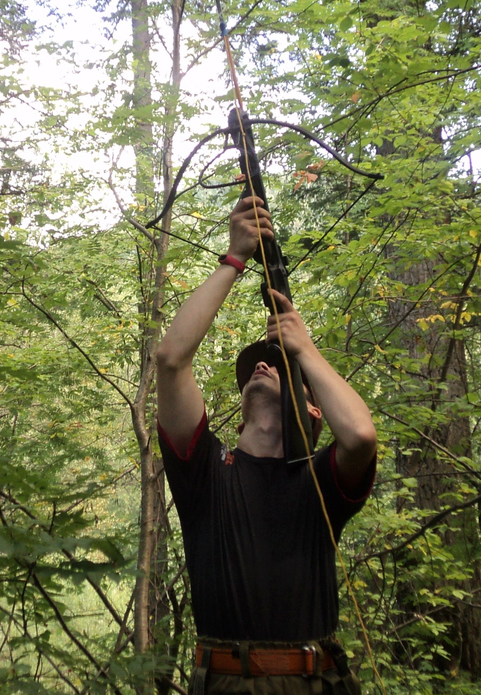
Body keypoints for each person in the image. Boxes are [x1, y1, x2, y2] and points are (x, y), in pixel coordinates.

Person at [155, 195, 378, 695]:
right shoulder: (208, 472)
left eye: (279, 369)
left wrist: (304, 347)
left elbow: (361, 434)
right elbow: (171, 359)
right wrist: (234, 258)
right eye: (257, 366)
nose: (262, 366)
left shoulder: (321, 481)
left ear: (313, 410)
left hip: (315, 683)